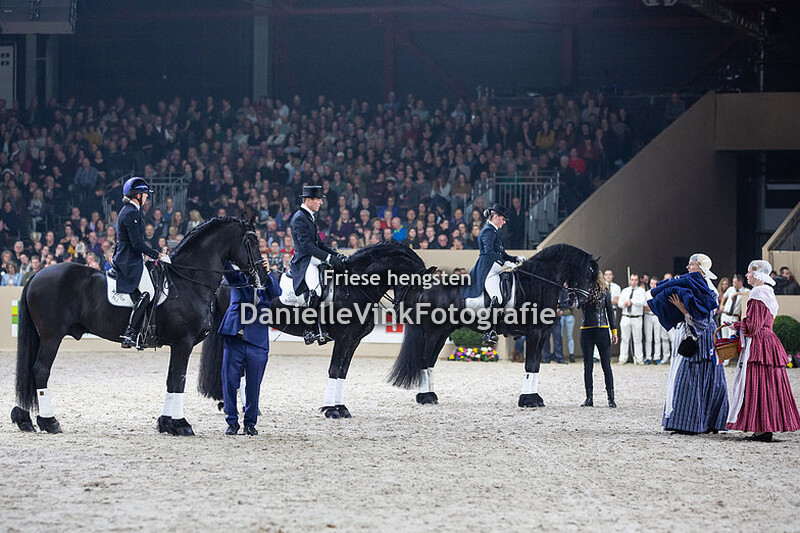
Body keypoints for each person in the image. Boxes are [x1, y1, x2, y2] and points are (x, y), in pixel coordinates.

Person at [649, 253, 728, 435]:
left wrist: (682, 308)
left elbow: (702, 319)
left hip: (702, 337)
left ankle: (694, 423)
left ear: (700, 267)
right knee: (698, 378)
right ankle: (700, 422)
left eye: (691, 265)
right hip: (692, 332)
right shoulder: (694, 284)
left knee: (695, 378)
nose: (687, 268)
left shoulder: (708, 289)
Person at [726, 260, 800, 442]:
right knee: (769, 385)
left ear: (757, 274)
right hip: (769, 341)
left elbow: (752, 327)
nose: (747, 275)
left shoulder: (757, 293)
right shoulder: (768, 292)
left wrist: (735, 325)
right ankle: (765, 427)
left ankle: (762, 428)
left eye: (749, 272)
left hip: (759, 343)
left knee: (757, 383)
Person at [219, 258, 280, 436]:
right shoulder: (239, 280)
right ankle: (231, 421)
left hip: (257, 341)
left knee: (254, 385)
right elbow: (227, 267)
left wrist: (267, 272)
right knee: (230, 382)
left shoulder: (268, 284)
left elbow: (276, 293)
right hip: (235, 338)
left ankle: (250, 423)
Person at [113, 177, 170, 349]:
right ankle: (130, 332)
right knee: (149, 291)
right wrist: (158, 255)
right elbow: (137, 244)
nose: (146, 197)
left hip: (128, 256)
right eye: (145, 194)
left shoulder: (129, 210)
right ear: (137, 195)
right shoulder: (131, 213)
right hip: (129, 260)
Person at [290, 185, 347, 345]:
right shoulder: (300, 218)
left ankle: (324, 326)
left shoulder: (309, 216)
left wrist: (336, 255)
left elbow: (319, 244)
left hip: (313, 258)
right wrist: (328, 258)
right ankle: (308, 330)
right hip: (305, 261)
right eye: (318, 200)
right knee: (317, 289)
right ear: (309, 200)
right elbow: (307, 246)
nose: (321, 203)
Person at [461, 203, 524, 345]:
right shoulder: (487, 232)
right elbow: (489, 252)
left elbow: (501, 253)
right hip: (488, 270)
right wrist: (504, 263)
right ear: (495, 217)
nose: (504, 222)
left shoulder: (494, 232)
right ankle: (488, 331)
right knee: (498, 297)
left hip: (496, 268)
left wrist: (514, 259)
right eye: (502, 219)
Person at [580, 270, 618, 407]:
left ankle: (611, 398)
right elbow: (577, 305)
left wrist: (614, 331)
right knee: (587, 366)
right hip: (586, 330)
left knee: (606, 366)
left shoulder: (605, 292)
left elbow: (610, 312)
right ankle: (589, 398)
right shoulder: (583, 291)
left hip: (602, 330)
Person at [617, 273, 646, 364]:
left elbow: (643, 302)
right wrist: (625, 303)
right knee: (624, 338)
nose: (633, 282)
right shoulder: (625, 291)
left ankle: (639, 358)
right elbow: (619, 303)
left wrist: (632, 301)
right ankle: (623, 358)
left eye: (635, 280)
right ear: (630, 280)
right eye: (632, 280)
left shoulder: (641, 291)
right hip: (626, 316)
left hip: (637, 317)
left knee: (637, 339)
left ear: (638, 281)